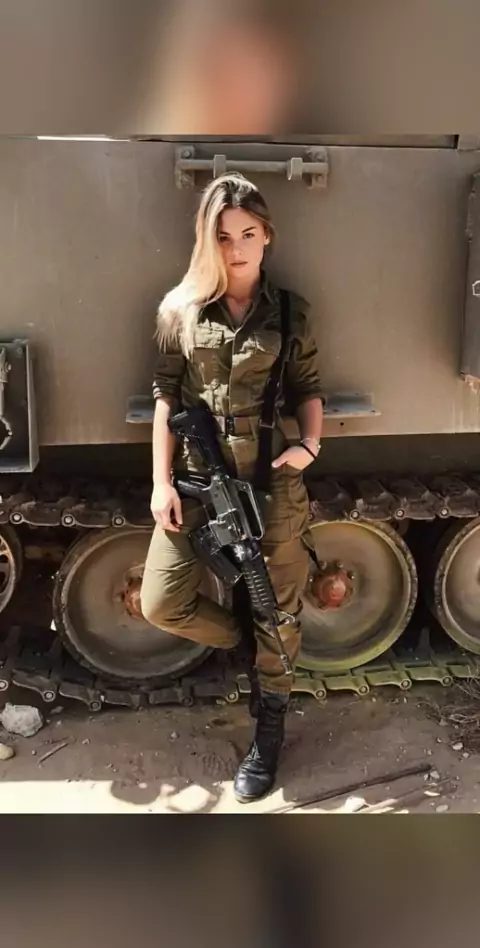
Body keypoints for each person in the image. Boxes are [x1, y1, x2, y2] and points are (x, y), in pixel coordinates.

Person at [140, 172, 323, 803]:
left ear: (267, 235)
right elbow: (166, 397)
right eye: (222, 236)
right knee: (161, 602)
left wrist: (310, 445)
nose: (236, 247)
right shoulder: (181, 310)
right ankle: (250, 641)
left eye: (248, 233)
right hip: (197, 483)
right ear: (206, 241)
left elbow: (308, 387)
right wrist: (161, 483)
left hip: (271, 487)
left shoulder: (291, 311)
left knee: (280, 611)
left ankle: (268, 732)